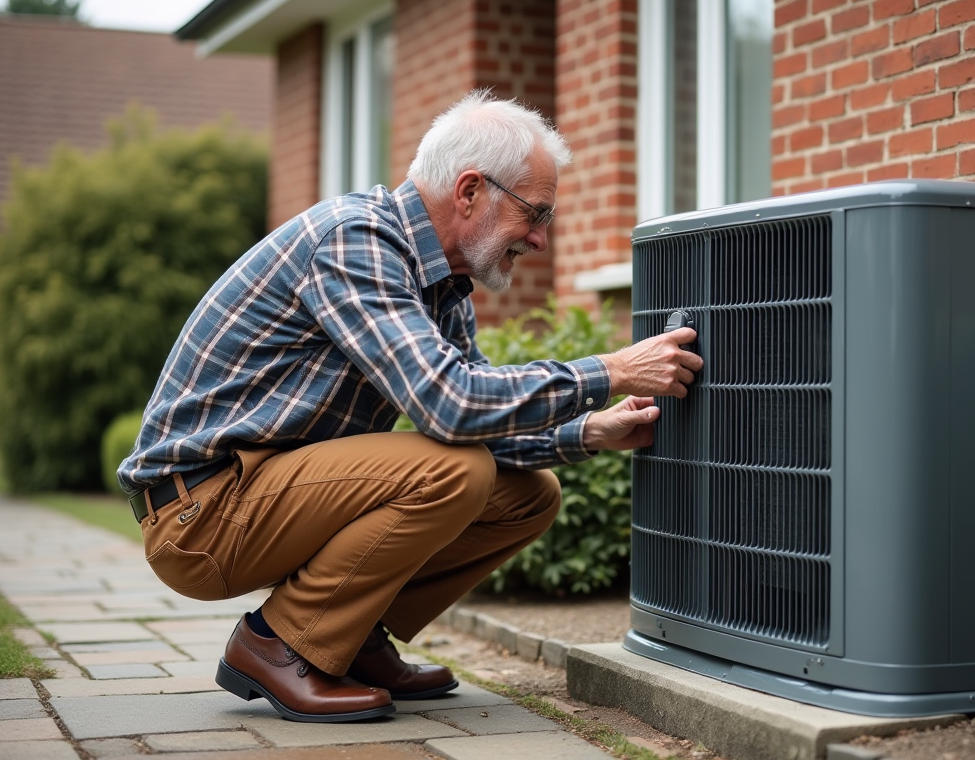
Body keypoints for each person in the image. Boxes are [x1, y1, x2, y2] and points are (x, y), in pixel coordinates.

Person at [116, 91, 702, 723]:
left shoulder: (442, 287)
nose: (537, 238)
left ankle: (349, 636)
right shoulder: (355, 241)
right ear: (471, 191)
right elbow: (450, 407)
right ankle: (278, 644)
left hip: (263, 490)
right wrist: (609, 370)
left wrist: (591, 431)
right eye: (534, 213)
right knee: (456, 472)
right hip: (202, 514)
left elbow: (476, 421)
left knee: (528, 495)